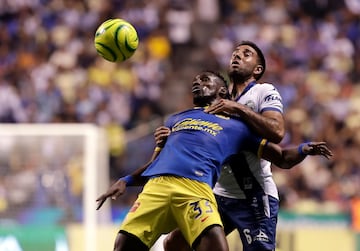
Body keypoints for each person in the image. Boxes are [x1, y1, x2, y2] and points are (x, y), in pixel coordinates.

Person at [96, 70, 332, 251]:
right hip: (156, 188)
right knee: (123, 247)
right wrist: (126, 180)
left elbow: (280, 157)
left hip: (196, 190)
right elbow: (157, 163)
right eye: (196, 81)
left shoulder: (237, 126)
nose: (198, 83)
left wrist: (303, 148)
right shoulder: (176, 119)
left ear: (223, 92)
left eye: (206, 80)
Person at [157, 41, 288, 251]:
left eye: (246, 54)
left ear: (258, 69)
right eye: (235, 53)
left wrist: (237, 108)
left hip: (254, 195)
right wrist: (170, 136)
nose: (237, 56)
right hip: (219, 193)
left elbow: (277, 131)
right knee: (174, 244)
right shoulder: (217, 98)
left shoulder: (263, 91)